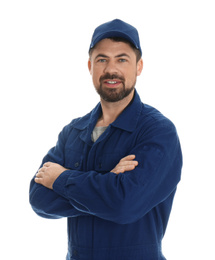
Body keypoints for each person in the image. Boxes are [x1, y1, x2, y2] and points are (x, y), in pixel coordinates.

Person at [29, 19, 182, 260]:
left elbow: (124, 205)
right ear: (90, 66)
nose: (111, 70)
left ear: (139, 66)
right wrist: (107, 184)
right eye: (102, 60)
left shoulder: (158, 132)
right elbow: (39, 199)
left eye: (122, 59)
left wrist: (60, 179)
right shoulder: (72, 132)